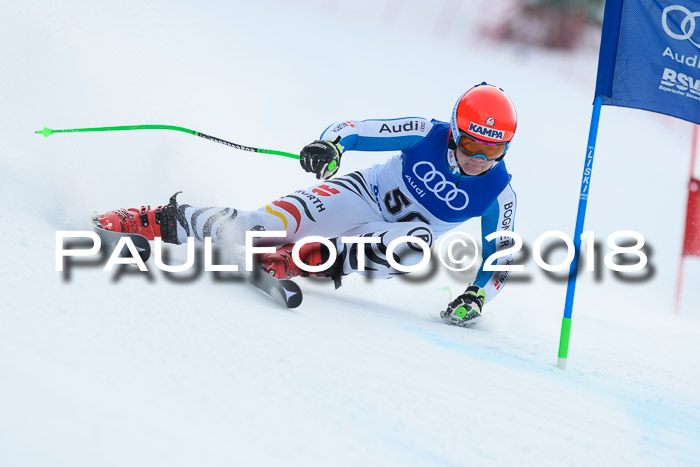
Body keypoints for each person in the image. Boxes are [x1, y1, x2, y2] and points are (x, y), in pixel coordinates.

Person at [95, 82, 518, 326]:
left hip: (390, 240)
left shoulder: (499, 193)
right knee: (262, 225)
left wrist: (477, 296)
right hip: (359, 195)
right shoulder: (427, 131)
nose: (477, 160)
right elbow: (355, 129)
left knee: (413, 246)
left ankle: (293, 261)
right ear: (455, 132)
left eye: (491, 151)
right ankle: (153, 220)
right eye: (469, 144)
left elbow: (500, 260)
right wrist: (330, 146)